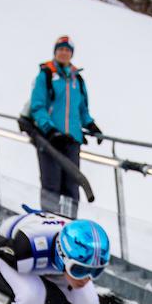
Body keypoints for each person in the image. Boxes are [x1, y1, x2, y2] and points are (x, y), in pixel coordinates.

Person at [28, 36, 102, 217]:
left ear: (71, 54)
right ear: (55, 52)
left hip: (71, 140)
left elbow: (82, 109)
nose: (64, 53)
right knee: (51, 185)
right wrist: (49, 129)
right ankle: (48, 222)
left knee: (71, 185)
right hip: (50, 140)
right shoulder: (45, 76)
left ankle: (69, 224)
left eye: (67, 50)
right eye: (60, 49)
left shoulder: (77, 80)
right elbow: (37, 106)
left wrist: (91, 125)